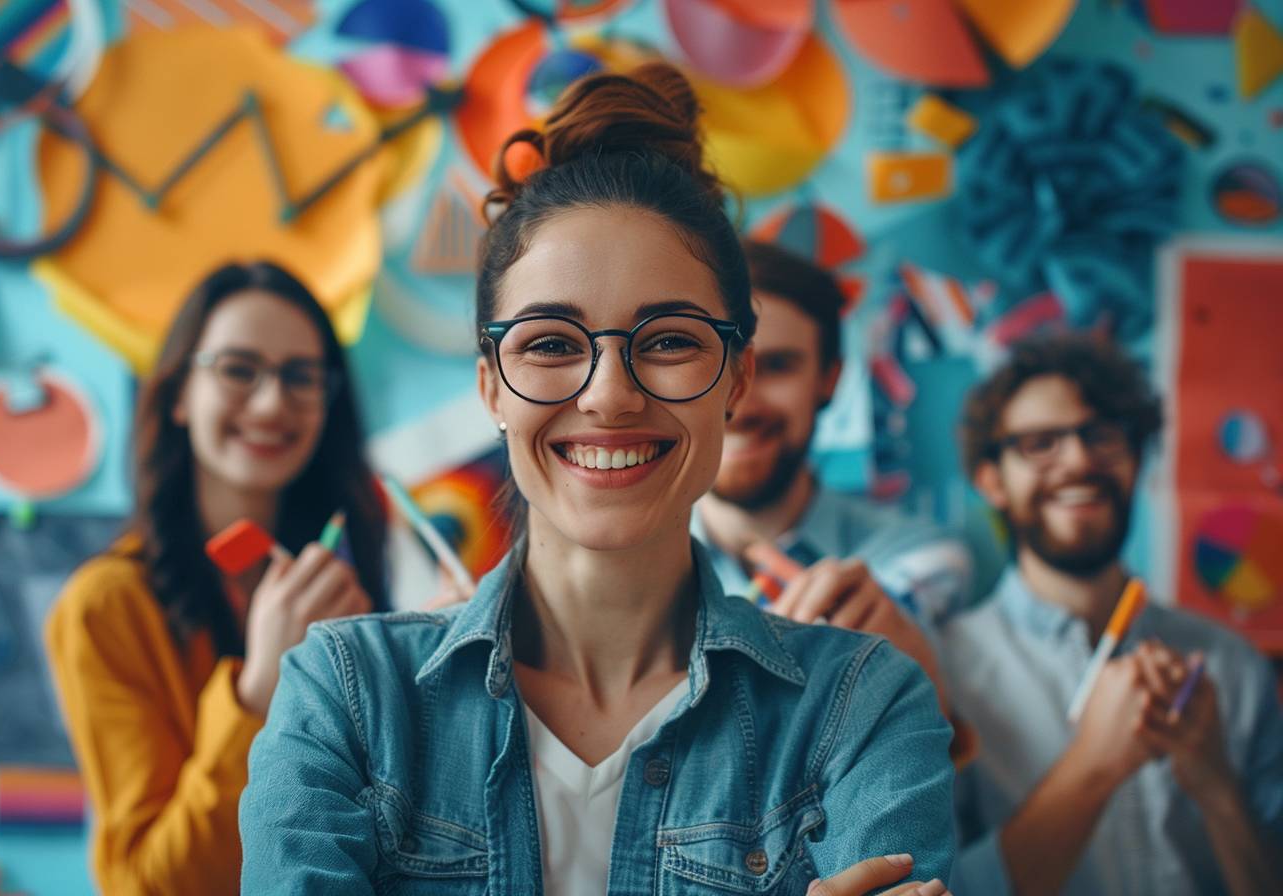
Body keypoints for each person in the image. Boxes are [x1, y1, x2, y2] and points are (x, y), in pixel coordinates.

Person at [240, 64, 955, 896]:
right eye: (550, 344)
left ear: (735, 379)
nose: (610, 394)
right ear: (490, 388)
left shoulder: (861, 706)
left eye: (670, 340)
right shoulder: (348, 695)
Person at [45, 261, 389, 896]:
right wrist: (261, 688)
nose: (271, 402)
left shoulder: (349, 575)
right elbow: (146, 884)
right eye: (238, 369)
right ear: (178, 393)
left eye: (300, 376)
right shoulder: (106, 607)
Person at [942, 333, 1283, 896]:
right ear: (991, 480)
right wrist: (1096, 765)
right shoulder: (942, 675)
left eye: (1101, 435)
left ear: (1137, 458)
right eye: (1040, 443)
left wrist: (1215, 781)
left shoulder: (1233, 667)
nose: (1077, 460)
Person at [694, 238, 974, 734]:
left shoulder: (915, 555)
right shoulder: (630, 571)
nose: (741, 401)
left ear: (830, 379)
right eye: (717, 366)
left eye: (776, 366)